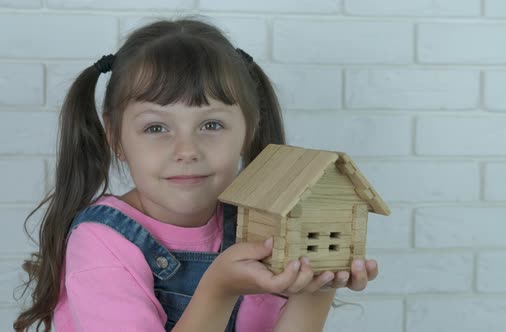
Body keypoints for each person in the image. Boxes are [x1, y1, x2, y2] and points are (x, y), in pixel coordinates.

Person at [13, 18, 379, 332]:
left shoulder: (261, 228)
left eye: (212, 124)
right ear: (116, 138)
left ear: (248, 132)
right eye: (156, 128)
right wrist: (219, 289)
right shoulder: (101, 244)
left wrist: (316, 288)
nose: (186, 150)